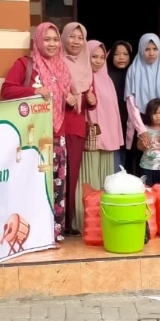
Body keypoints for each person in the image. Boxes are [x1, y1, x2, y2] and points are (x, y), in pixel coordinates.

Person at [1, 22, 72, 241]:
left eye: (55, 40)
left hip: (57, 137)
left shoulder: (62, 68)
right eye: (47, 40)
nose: (51, 44)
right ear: (38, 41)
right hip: (33, 139)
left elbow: (61, 102)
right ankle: (34, 235)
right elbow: (7, 90)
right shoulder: (26, 64)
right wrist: (34, 91)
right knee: (33, 186)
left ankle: (55, 233)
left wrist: (70, 101)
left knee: (57, 189)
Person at [74, 40, 124, 231]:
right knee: (89, 179)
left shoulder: (107, 79)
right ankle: (84, 222)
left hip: (108, 137)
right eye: (94, 56)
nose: (98, 61)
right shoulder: (82, 77)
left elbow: (113, 111)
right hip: (91, 136)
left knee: (104, 179)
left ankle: (102, 221)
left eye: (102, 57)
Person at [61, 22, 97, 235]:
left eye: (80, 37)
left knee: (72, 176)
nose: (75, 41)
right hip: (57, 125)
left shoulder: (86, 66)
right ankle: (54, 221)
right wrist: (64, 98)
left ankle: (67, 223)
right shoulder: (57, 63)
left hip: (76, 127)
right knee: (56, 176)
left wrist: (92, 100)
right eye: (72, 37)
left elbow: (91, 97)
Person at [124, 33, 160, 179]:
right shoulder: (133, 70)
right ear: (141, 50)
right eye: (147, 49)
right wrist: (141, 130)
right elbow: (130, 102)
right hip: (139, 122)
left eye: (155, 48)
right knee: (138, 171)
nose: (151, 53)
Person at [106, 40, 133, 172]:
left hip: (131, 121)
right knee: (115, 157)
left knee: (129, 156)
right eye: (117, 54)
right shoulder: (105, 74)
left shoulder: (134, 73)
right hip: (111, 122)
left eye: (125, 54)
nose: (121, 57)